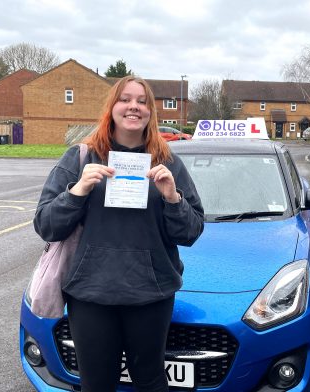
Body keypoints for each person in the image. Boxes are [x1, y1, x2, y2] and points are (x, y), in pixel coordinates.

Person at [33, 75, 204, 392]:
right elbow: (45, 224)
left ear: (151, 112)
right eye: (126, 99)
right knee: (97, 384)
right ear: (112, 107)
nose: (134, 107)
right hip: (91, 295)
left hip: (151, 295)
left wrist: (172, 198)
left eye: (142, 101)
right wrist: (78, 190)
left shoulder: (168, 163)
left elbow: (192, 231)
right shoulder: (80, 158)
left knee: (150, 381)